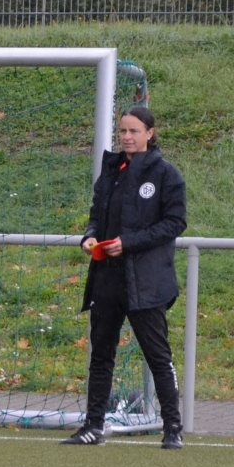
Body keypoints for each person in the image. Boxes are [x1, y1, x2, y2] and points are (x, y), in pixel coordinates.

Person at [63, 106, 187, 449]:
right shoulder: (111, 172)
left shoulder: (166, 175)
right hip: (107, 278)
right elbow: (95, 216)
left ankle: (173, 427)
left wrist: (128, 243)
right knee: (101, 354)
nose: (127, 137)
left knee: (157, 355)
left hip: (146, 281)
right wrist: (89, 238)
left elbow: (175, 223)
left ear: (150, 133)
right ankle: (93, 425)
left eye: (134, 131)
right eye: (122, 131)